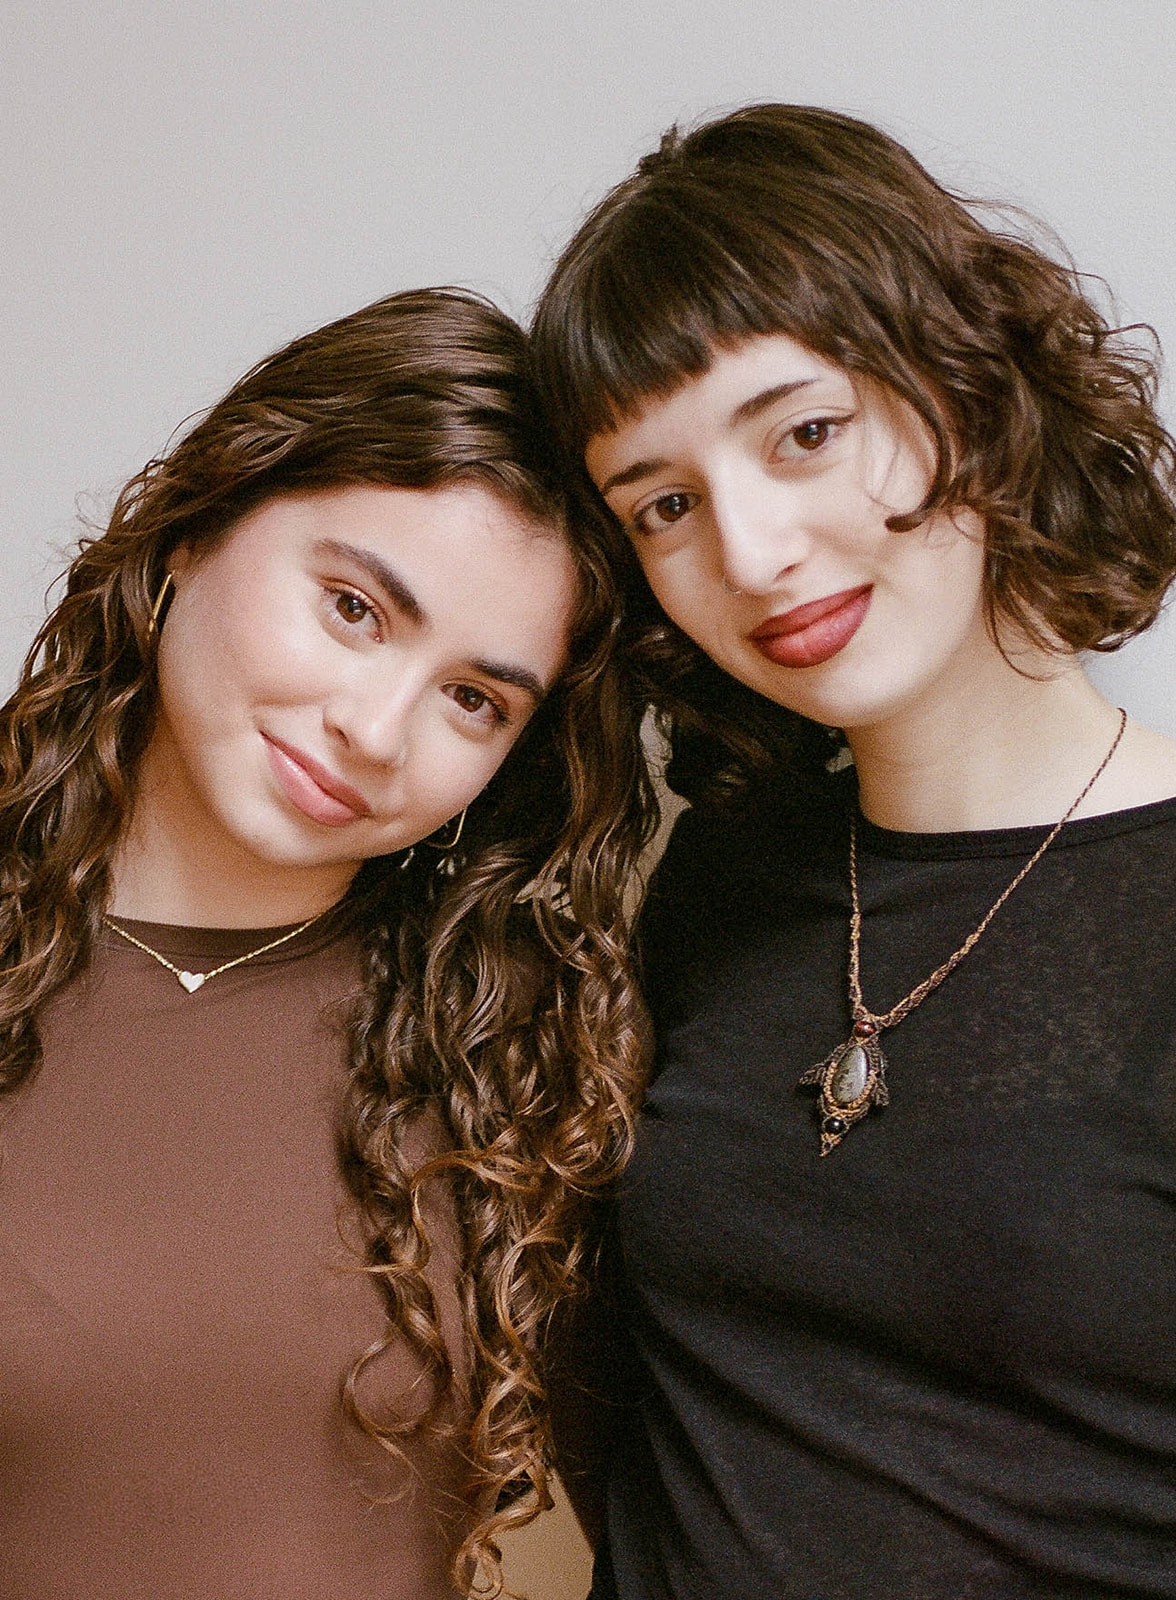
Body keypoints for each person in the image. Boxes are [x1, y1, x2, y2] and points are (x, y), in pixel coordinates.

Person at [531, 105, 1176, 1599]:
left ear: (966, 378)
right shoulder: (710, 885)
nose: (753, 552)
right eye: (664, 506)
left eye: (805, 434)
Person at [0, 287, 654, 1599]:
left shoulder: (528, 1054)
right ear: (200, 523)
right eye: (356, 608)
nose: (375, 725)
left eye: (472, 699)